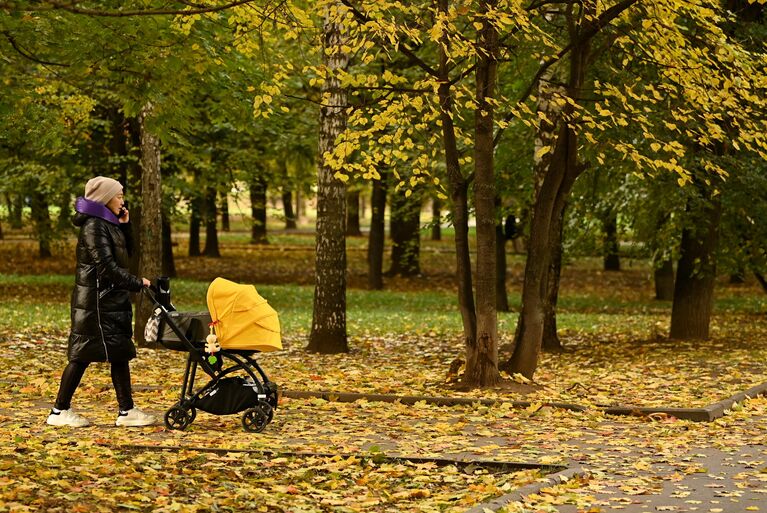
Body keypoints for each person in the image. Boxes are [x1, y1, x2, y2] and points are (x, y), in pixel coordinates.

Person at [47, 176, 157, 427]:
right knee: (81, 354)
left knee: (119, 352)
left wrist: (126, 226)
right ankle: (58, 411)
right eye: (118, 196)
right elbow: (106, 268)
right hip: (96, 303)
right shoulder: (93, 227)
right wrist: (137, 283)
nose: (122, 200)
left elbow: (124, 255)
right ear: (105, 198)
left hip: (109, 300)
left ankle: (127, 411)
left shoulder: (108, 224)